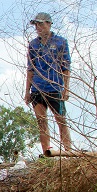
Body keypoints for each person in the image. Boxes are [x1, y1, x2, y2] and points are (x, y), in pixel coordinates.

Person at [25, 12, 72, 154]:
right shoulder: (33, 45)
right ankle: (47, 151)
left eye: (41, 24)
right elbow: (30, 69)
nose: (38, 27)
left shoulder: (60, 42)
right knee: (41, 121)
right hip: (38, 87)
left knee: (61, 120)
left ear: (49, 24)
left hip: (55, 85)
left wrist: (66, 88)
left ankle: (68, 151)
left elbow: (66, 67)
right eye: (36, 25)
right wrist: (27, 91)